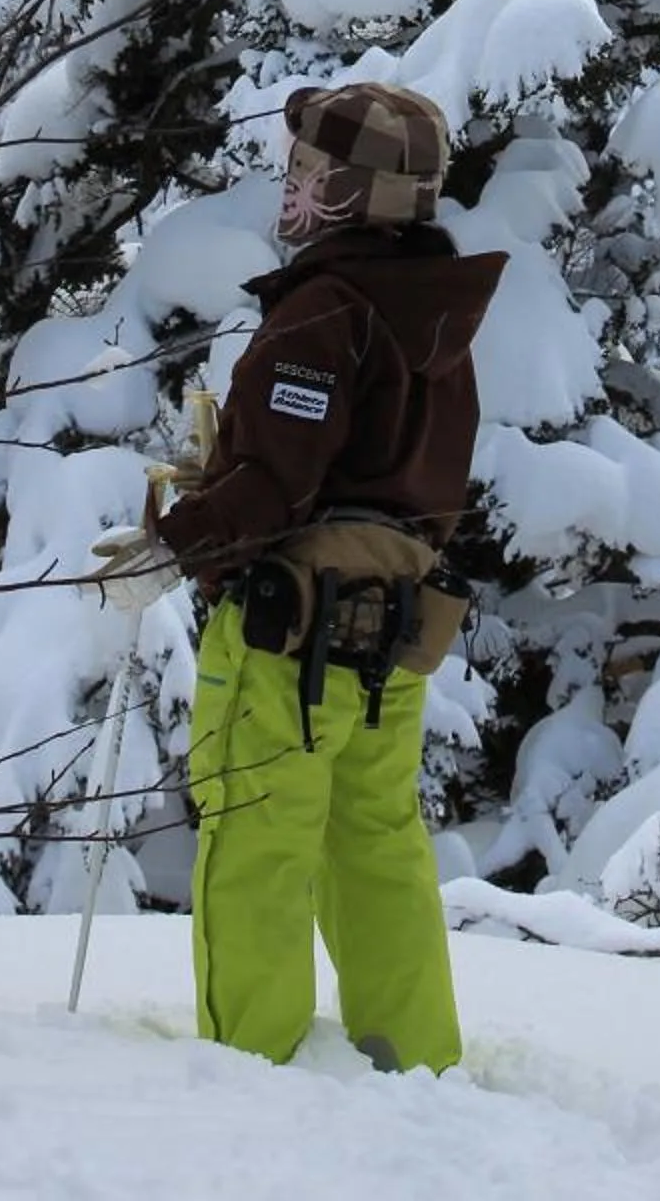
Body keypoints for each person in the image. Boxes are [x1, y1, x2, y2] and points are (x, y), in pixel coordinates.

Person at [90, 80, 505, 1073]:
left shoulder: (326, 311)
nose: (290, 186)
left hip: (285, 634)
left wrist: (168, 549)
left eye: (308, 172)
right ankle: (414, 1066)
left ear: (352, 193)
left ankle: (249, 1069)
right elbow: (395, 484)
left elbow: (280, 481)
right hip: (392, 637)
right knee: (376, 845)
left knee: (257, 840)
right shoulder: (436, 321)